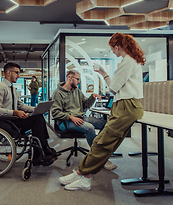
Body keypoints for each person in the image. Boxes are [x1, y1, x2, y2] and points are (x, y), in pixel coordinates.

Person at [58, 33, 145, 191]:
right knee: (104, 144)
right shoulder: (132, 61)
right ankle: (83, 174)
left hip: (125, 106)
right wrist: (103, 74)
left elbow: (112, 88)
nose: (112, 52)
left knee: (101, 143)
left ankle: (82, 174)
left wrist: (103, 74)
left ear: (117, 47)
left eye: (112, 49)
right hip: (127, 106)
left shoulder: (127, 62)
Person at [0, 62, 57, 166]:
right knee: (37, 120)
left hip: (13, 120)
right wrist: (15, 112)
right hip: (6, 122)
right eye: (17, 73)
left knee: (38, 116)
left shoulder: (12, 88)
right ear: (8, 72)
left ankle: (43, 149)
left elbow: (21, 105)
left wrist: (36, 109)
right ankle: (41, 151)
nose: (19, 75)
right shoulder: (0, 87)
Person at [51, 69, 116, 171]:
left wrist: (92, 97)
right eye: (77, 79)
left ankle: (98, 149)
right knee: (89, 128)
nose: (79, 82)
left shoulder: (76, 90)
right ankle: (99, 158)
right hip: (65, 121)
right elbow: (55, 113)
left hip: (79, 118)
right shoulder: (58, 93)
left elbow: (85, 104)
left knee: (106, 124)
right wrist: (71, 117)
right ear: (70, 78)